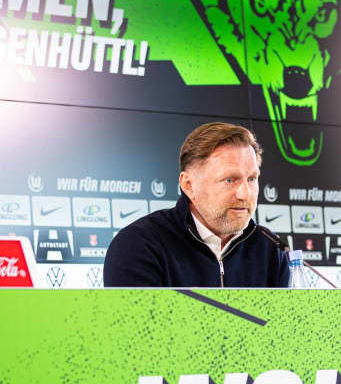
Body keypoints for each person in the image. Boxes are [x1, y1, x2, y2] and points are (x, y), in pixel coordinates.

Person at [104, 122, 289, 287]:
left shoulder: (271, 249)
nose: (244, 194)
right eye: (230, 180)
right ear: (188, 186)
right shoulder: (139, 245)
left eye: (251, 179)